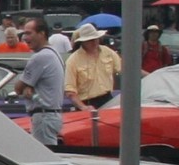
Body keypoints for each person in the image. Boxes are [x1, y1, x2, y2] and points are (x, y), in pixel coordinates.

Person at [13, 19, 66, 149]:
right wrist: (29, 85)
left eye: (29, 33)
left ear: (42, 33)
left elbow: (18, 88)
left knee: (45, 161)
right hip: (52, 115)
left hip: (43, 116)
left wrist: (27, 86)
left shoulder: (40, 57)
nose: (25, 38)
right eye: (24, 34)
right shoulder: (54, 53)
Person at [64, 24, 119, 107]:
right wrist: (83, 107)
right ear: (83, 42)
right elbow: (70, 91)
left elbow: (122, 68)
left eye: (95, 39)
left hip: (108, 99)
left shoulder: (107, 52)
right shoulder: (73, 60)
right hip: (87, 103)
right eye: (90, 40)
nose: (94, 42)